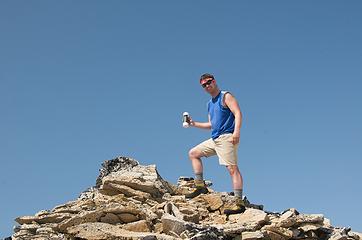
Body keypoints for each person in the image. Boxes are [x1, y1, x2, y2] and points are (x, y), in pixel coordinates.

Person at [185, 73, 245, 214]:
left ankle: (239, 203)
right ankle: (200, 186)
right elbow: (211, 124)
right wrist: (193, 124)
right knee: (193, 153)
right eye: (204, 85)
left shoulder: (226, 96)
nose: (207, 86)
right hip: (215, 139)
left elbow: (238, 113)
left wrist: (236, 132)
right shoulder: (209, 104)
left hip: (226, 138)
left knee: (232, 169)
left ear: (214, 81)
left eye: (209, 82)